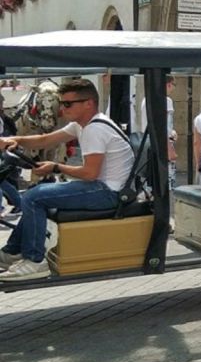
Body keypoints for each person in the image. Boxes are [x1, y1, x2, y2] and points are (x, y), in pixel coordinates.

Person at [0, 79, 135, 280]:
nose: (61, 109)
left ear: (88, 103)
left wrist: (55, 167)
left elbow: (90, 173)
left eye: (67, 104)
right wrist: (16, 140)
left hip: (109, 192)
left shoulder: (94, 129)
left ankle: (35, 261)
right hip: (101, 186)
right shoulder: (83, 124)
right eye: (61, 103)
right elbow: (46, 140)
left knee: (34, 197)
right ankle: (11, 252)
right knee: (35, 196)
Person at [139, 75, 177, 190]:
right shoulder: (166, 100)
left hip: (149, 143)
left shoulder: (147, 99)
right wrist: (170, 148)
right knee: (166, 185)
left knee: (151, 183)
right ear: (168, 84)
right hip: (163, 144)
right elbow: (163, 125)